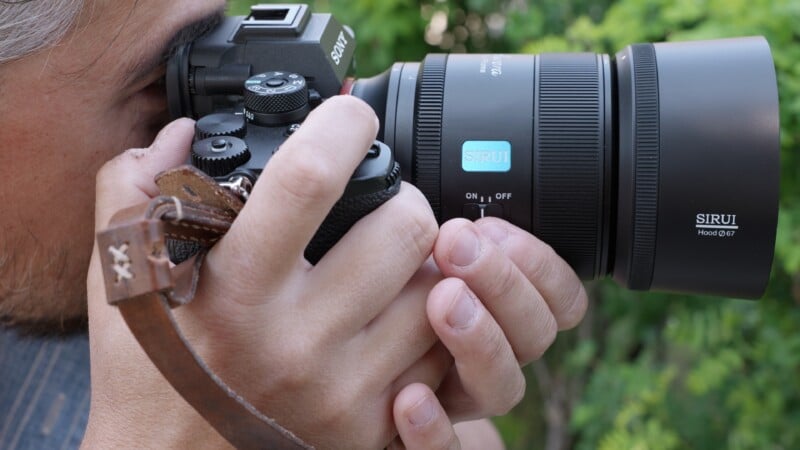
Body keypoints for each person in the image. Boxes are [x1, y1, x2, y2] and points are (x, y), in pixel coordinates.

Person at [0, 1, 588, 448]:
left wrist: (396, 396)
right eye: (161, 87)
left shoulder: (150, 284)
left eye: (212, 59)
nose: (202, 121)